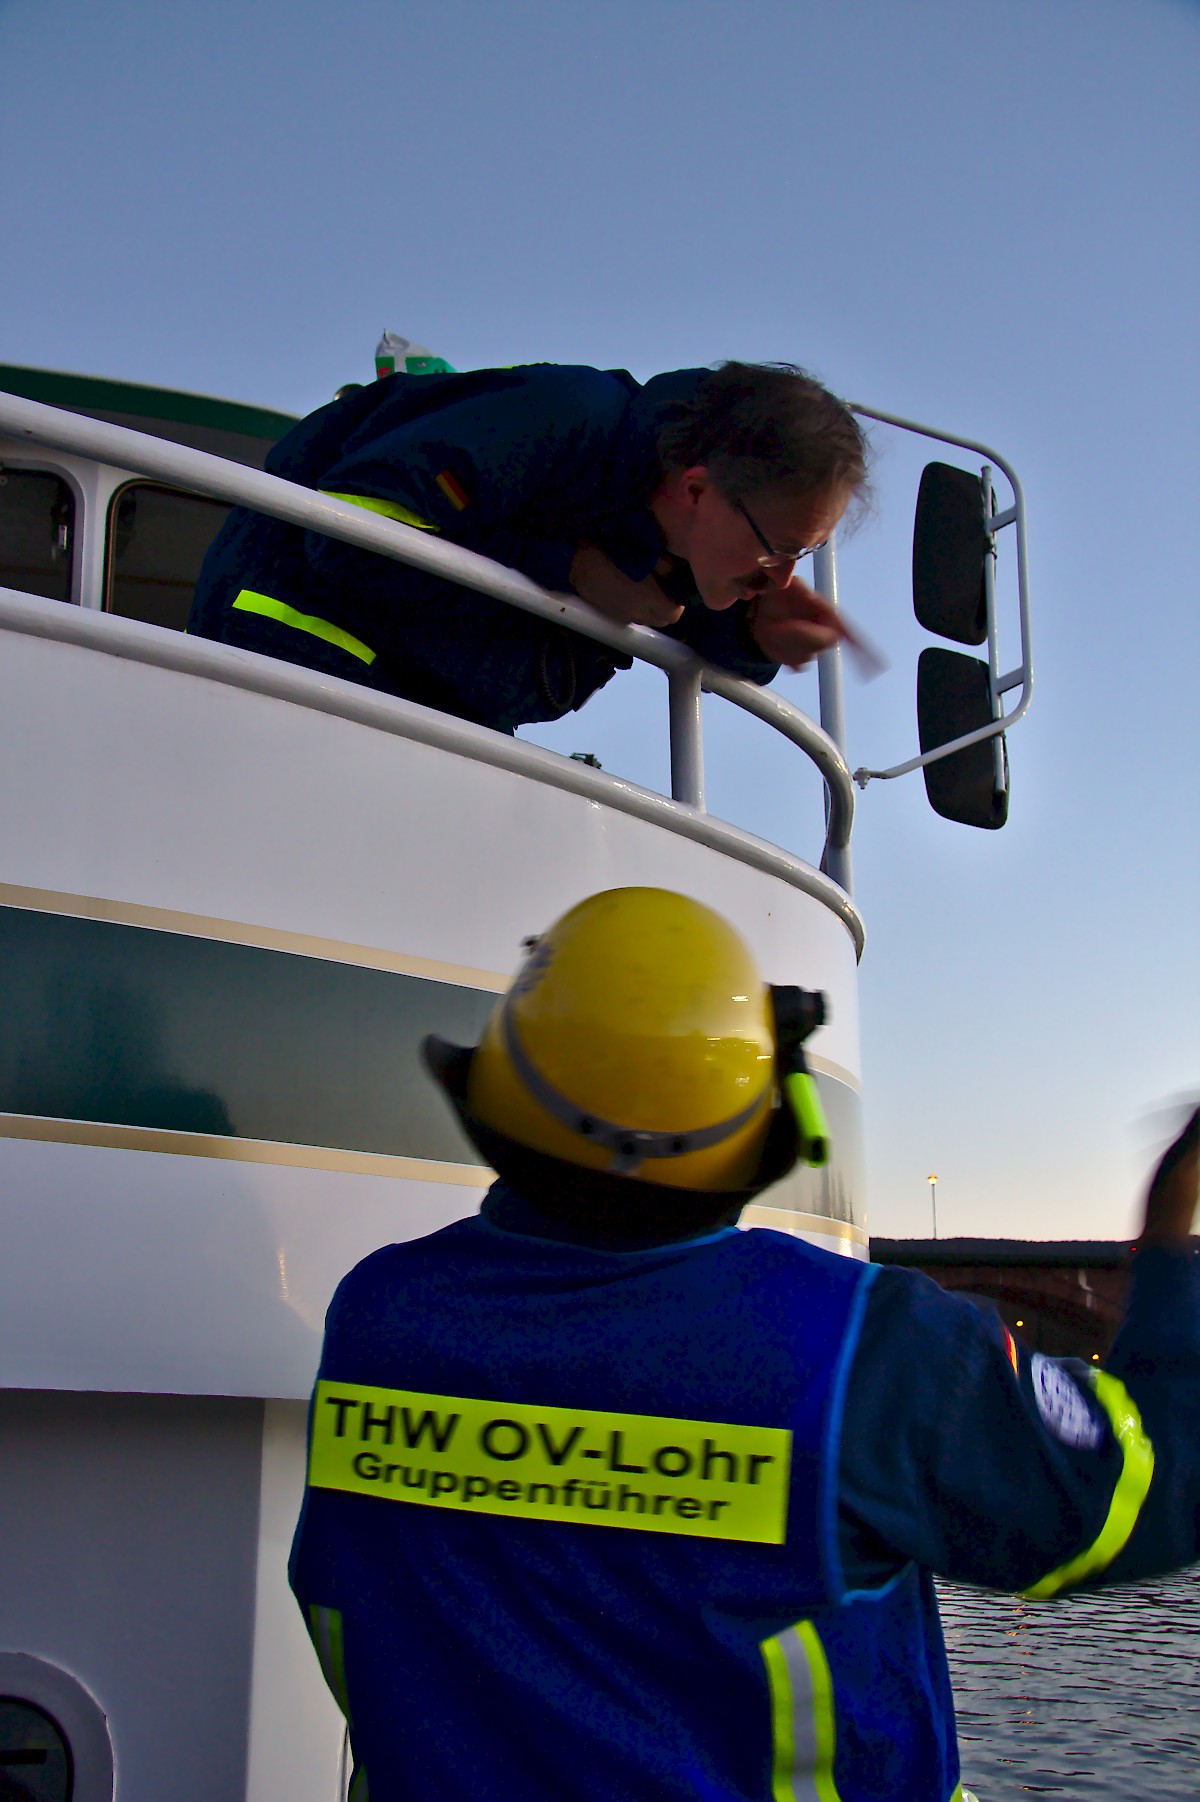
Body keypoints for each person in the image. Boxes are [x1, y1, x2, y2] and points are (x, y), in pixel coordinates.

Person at [289, 887, 1200, 1801]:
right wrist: (1171, 1236)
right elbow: (1149, 1490)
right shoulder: (861, 1349)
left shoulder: (378, 1317)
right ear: (769, 1116)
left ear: (497, 1093)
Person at [188, 362, 867, 733]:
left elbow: (677, 606)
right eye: (777, 551)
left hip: (423, 713)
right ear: (696, 490)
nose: (780, 579)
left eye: (800, 558)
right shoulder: (564, 417)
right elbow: (345, 534)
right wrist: (565, 570)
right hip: (296, 664)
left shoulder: (679, 527)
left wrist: (754, 630)